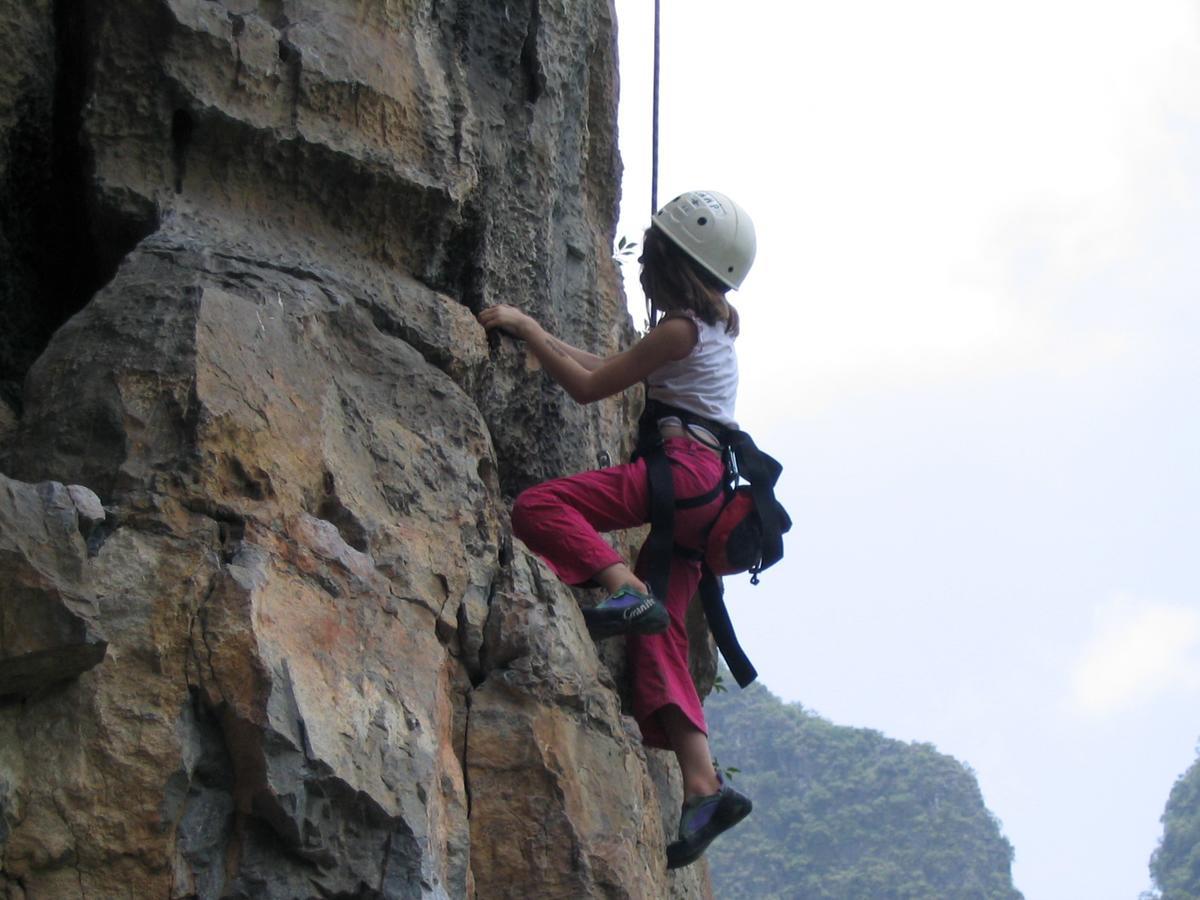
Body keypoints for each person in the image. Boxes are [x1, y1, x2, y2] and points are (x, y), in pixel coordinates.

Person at [478, 190, 756, 869]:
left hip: (681, 475)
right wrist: (535, 332)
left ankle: (621, 586)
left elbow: (588, 387)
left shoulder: (679, 329)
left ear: (669, 261)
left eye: (649, 255)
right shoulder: (712, 331)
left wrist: (520, 322)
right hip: (711, 492)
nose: (641, 270)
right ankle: (702, 785)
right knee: (658, 636)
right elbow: (606, 367)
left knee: (538, 508)